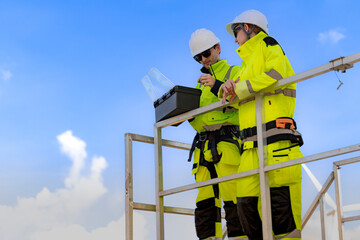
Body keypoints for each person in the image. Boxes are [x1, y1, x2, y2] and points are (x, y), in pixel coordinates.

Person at [219, 10, 303, 240]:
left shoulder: (269, 45)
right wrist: (226, 90)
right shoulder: (245, 65)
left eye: (236, 32)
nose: (234, 39)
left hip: (276, 144)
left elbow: (275, 74)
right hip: (250, 147)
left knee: (282, 212)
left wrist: (240, 88)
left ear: (247, 27)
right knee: (245, 204)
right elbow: (238, 96)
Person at [188, 28, 246, 240]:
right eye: (198, 58)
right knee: (204, 203)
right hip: (203, 150)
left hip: (227, 145)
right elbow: (201, 119)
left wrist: (217, 86)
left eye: (206, 54)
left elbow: (244, 102)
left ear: (218, 48)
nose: (204, 60)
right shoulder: (198, 84)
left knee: (233, 199)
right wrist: (184, 115)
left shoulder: (236, 72)